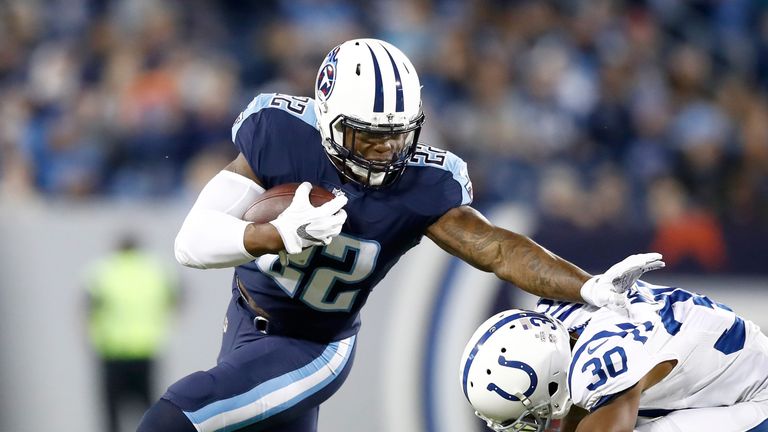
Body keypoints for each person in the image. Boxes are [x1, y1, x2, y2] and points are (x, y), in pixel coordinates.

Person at [137, 38, 660, 432]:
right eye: (366, 134)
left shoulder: (426, 186)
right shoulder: (279, 134)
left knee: (181, 414)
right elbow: (191, 242)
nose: (385, 150)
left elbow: (498, 248)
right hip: (244, 318)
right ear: (325, 119)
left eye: (396, 135)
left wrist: (586, 286)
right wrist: (275, 234)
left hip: (314, 347)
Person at [460, 256, 768, 432]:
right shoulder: (561, 319)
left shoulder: (596, 366)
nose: (531, 422)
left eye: (526, 412)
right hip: (734, 371)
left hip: (756, 399)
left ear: (546, 377)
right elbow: (582, 406)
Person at [84, 233, 179, 432]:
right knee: (148, 412)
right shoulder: (154, 269)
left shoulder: (104, 269)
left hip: (112, 350)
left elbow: (88, 307)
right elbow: (177, 297)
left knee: (111, 415)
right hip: (145, 348)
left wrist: (92, 336)